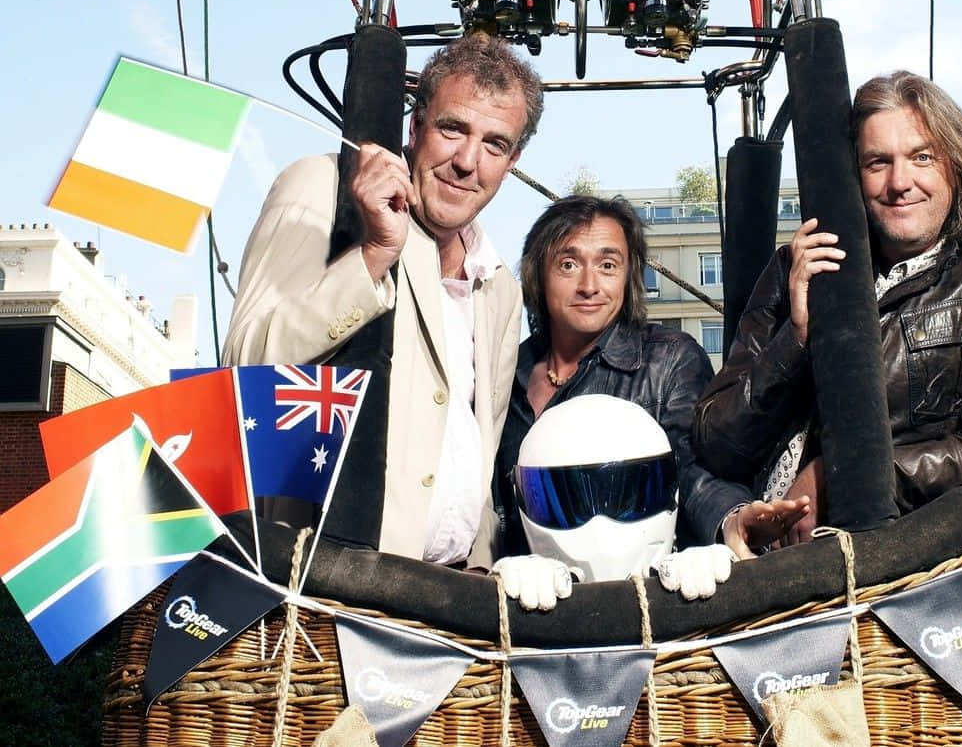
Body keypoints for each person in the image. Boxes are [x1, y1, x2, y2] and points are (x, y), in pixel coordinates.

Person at [693, 71, 962, 556]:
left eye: (922, 157)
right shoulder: (797, 265)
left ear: (958, 165)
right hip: (755, 558)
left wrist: (844, 476)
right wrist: (797, 338)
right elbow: (715, 443)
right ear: (851, 176)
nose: (899, 182)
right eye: (876, 163)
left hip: (898, 560)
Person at [223, 33, 544, 569]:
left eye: (494, 144)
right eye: (452, 128)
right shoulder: (322, 188)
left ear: (511, 161)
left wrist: (481, 572)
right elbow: (244, 371)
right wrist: (372, 255)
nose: (468, 161)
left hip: (450, 600)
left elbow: (477, 447)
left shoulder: (500, 287)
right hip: (329, 580)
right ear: (415, 127)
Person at [489, 195, 808, 609]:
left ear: (629, 276)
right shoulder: (503, 368)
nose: (590, 285)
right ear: (538, 275)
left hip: (639, 605)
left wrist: (731, 519)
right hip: (523, 605)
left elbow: (690, 468)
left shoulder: (668, 357)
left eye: (608, 265)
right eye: (569, 264)